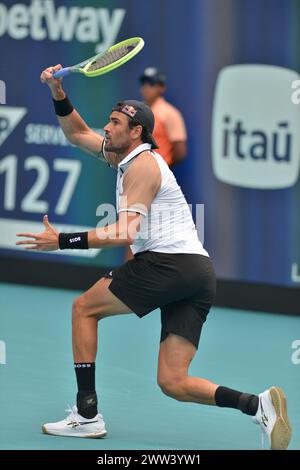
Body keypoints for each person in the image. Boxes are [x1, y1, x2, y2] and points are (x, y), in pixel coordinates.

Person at [16, 63, 291, 449]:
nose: (106, 128)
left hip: (167, 263)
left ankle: (87, 415)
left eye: (114, 123)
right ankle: (256, 405)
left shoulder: (142, 167)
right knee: (173, 382)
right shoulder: (122, 156)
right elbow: (78, 133)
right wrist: (57, 92)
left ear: (136, 132)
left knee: (84, 309)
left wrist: (61, 240)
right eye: (108, 122)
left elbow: (124, 233)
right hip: (198, 273)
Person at [139, 67, 187, 167]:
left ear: (161, 88)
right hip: (136, 171)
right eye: (143, 83)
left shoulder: (170, 113)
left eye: (151, 83)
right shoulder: (136, 111)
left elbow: (180, 152)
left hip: (158, 175)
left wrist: (162, 169)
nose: (146, 87)